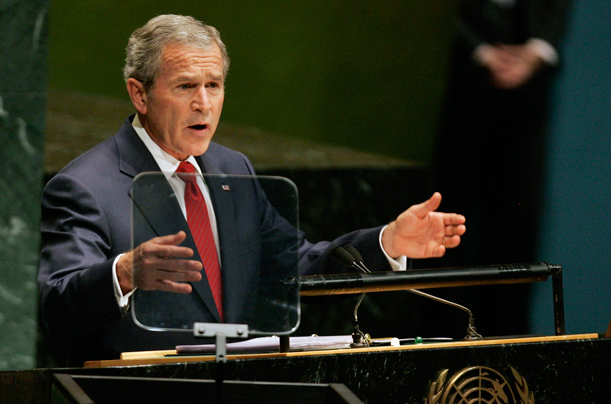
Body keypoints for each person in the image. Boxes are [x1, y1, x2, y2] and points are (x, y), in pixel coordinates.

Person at [39, 14, 466, 364]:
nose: (203, 103)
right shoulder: (84, 186)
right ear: (140, 94)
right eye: (186, 86)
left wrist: (387, 241)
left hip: (241, 402)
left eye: (214, 85)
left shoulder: (232, 168)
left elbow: (293, 263)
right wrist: (124, 273)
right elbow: (55, 307)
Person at [432, 0, 569, 336]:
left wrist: (534, 53)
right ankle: (449, 339)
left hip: (528, 107)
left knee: (516, 228)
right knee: (448, 229)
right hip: (459, 94)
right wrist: (480, 51)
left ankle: (510, 348)